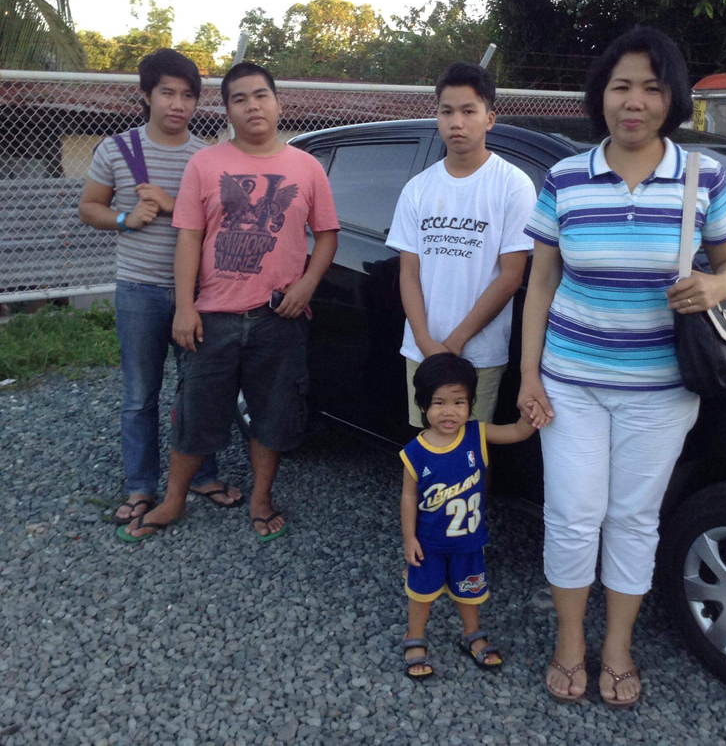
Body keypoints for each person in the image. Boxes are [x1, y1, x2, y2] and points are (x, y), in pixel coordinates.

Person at [517, 27, 726, 706]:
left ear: (670, 97)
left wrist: (714, 286)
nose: (634, 101)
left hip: (660, 390)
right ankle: (569, 638)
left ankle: (617, 643)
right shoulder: (563, 177)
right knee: (570, 513)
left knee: (632, 517)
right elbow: (539, 284)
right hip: (572, 384)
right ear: (600, 95)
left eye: (651, 87)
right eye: (621, 85)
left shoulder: (702, 175)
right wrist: (529, 375)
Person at [120, 61, 339, 543]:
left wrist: (306, 286)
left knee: (273, 413)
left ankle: (261, 499)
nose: (252, 105)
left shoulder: (306, 168)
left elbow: (326, 236)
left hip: (279, 316)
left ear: (278, 102)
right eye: (239, 99)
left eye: (260, 95)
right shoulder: (207, 164)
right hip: (214, 316)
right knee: (195, 410)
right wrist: (185, 306)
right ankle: (175, 498)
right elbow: (188, 239)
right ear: (226, 110)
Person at [79, 49, 237, 527]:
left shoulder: (207, 158)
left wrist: (170, 206)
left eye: (188, 95)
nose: (178, 104)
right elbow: (89, 207)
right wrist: (125, 218)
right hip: (140, 291)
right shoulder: (117, 149)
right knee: (140, 394)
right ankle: (141, 486)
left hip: (201, 294)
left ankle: (202, 476)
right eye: (167, 92)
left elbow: (224, 221)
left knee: (200, 391)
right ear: (145, 95)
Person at [386, 62, 534, 428]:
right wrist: (425, 340)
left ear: (490, 118)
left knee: (470, 451)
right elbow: (409, 272)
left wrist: (454, 343)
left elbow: (511, 275)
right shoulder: (418, 189)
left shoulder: (513, 186)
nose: (457, 122)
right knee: (426, 446)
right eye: (447, 111)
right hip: (421, 349)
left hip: (479, 354)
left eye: (469, 111)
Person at [401, 353, 536, 679]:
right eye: (439, 403)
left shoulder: (477, 434)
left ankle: (471, 634)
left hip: (469, 541)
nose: (449, 411)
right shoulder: (415, 451)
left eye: (459, 402)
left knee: (469, 591)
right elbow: (408, 496)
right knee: (421, 594)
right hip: (429, 543)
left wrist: (530, 415)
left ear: (471, 404)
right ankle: (414, 636)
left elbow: (517, 432)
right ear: (422, 406)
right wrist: (409, 538)